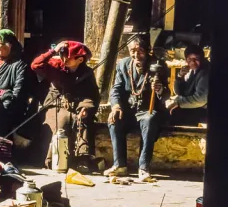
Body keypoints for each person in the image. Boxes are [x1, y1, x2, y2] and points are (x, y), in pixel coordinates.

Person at [105, 36, 170, 182]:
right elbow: (116, 89)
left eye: (140, 51)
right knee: (114, 120)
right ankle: (120, 165)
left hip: (148, 110)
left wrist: (159, 90)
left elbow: (166, 93)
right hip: (129, 111)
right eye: (132, 51)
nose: (136, 55)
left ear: (147, 51)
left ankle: (143, 168)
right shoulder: (123, 64)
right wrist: (115, 106)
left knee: (149, 119)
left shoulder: (158, 65)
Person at [31, 40, 99, 172]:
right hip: (55, 104)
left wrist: (85, 108)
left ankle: (82, 159)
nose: (63, 59)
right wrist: (53, 51)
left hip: (77, 106)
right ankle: (53, 160)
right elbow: (35, 65)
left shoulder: (87, 73)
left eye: (67, 57)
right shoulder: (56, 65)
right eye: (62, 56)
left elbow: (92, 95)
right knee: (62, 121)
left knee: (80, 119)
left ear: (79, 59)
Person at [0, 29, 33, 135]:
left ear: (9, 45)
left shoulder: (21, 64)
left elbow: (18, 93)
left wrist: (2, 99)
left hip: (11, 104)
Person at [166, 44, 209, 126]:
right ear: (186, 60)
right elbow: (180, 92)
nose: (193, 62)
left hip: (206, 109)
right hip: (198, 106)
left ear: (202, 59)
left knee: (176, 112)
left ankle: (187, 135)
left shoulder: (205, 73)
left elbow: (200, 99)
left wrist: (178, 103)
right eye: (189, 59)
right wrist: (180, 76)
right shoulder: (193, 70)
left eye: (196, 59)